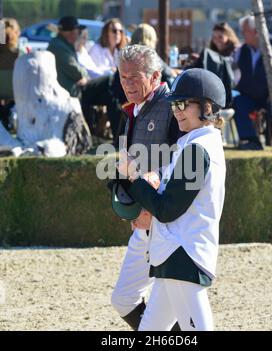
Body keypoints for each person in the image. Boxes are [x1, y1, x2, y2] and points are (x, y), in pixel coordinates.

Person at [117, 68, 226, 331]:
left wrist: (134, 177)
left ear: (207, 107)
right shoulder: (190, 146)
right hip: (171, 254)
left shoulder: (198, 151)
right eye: (174, 104)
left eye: (182, 104)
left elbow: (167, 210)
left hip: (183, 255)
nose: (176, 110)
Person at [110, 44, 180, 331]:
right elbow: (123, 166)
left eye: (134, 77)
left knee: (178, 307)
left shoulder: (174, 108)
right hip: (143, 220)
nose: (127, 84)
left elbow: (184, 163)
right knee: (124, 299)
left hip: (168, 223)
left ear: (155, 75)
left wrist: (150, 200)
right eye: (122, 77)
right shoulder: (128, 111)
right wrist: (130, 207)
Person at [47, 16, 122, 138]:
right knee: (111, 81)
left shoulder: (63, 45)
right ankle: (116, 136)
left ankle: (118, 137)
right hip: (72, 92)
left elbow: (80, 71)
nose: (79, 34)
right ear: (71, 33)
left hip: (76, 89)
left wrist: (84, 76)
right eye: (78, 31)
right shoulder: (59, 47)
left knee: (112, 95)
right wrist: (84, 76)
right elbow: (77, 72)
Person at [233, 15, 272, 149]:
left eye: (244, 31)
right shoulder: (241, 51)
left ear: (256, 31)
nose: (242, 34)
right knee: (239, 102)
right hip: (250, 96)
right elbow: (236, 76)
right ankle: (251, 141)